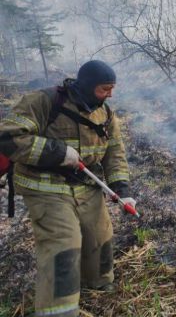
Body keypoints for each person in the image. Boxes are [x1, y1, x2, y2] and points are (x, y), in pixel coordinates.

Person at [0, 60, 135, 317]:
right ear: (86, 86)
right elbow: (7, 137)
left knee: (100, 239)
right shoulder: (42, 102)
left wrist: (123, 189)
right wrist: (58, 152)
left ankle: (97, 286)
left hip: (86, 187)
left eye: (112, 89)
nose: (110, 94)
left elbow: (114, 153)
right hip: (45, 188)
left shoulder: (105, 114)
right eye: (104, 89)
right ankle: (57, 311)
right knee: (64, 244)